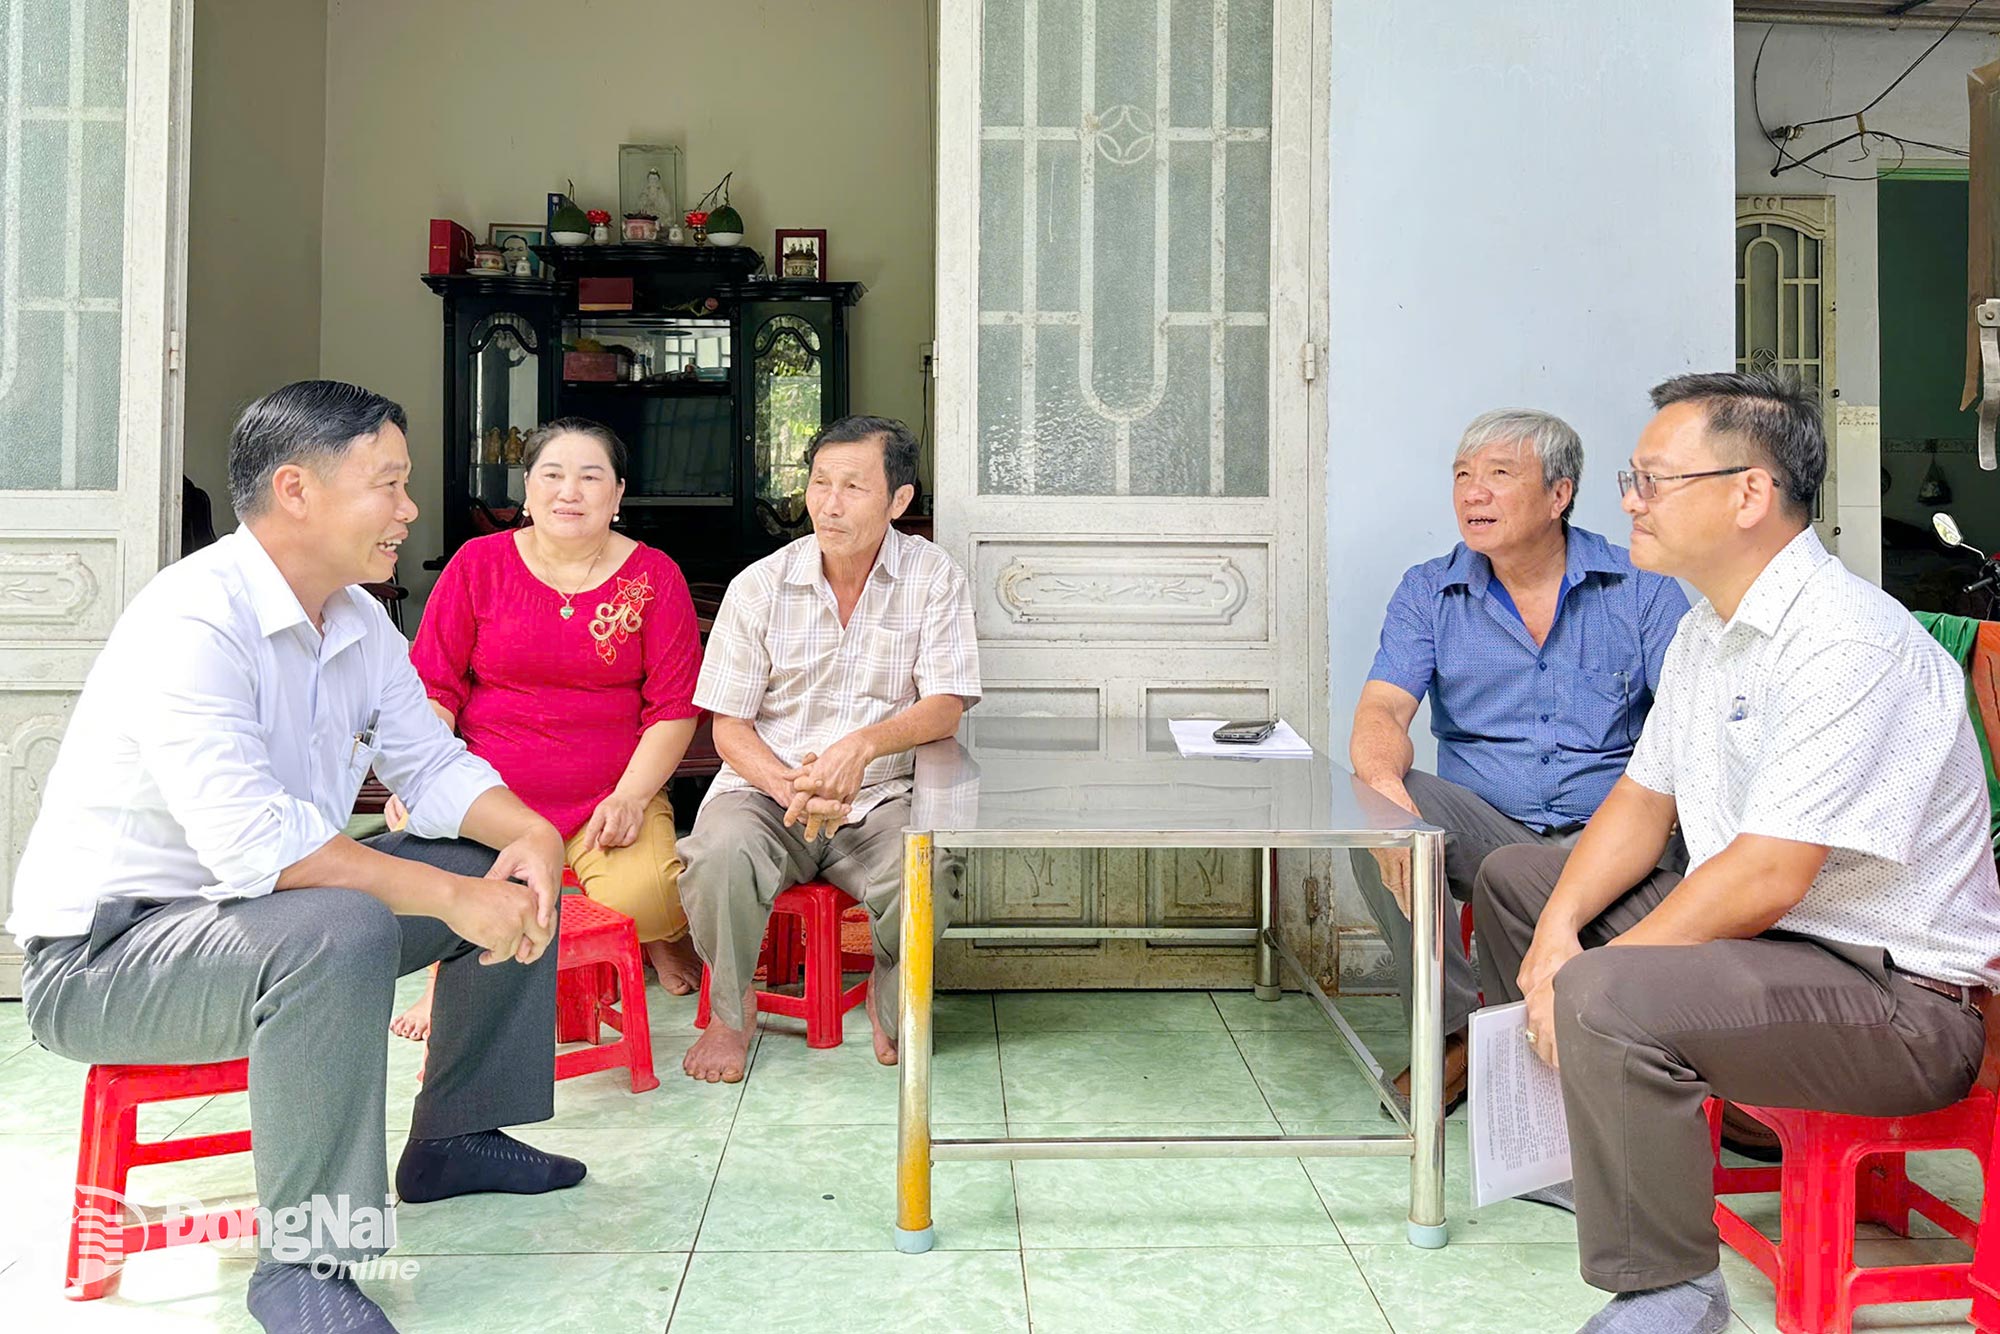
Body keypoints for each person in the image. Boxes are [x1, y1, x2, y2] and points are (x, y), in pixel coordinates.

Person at [8, 382, 589, 1334]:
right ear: (297, 491)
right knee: (342, 925)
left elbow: (432, 762)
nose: (408, 510)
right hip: (105, 961)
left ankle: (458, 1134)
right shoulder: (192, 621)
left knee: (492, 858)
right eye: (389, 485)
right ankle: (307, 1263)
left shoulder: (357, 620)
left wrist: (530, 835)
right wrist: (452, 898)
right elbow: (257, 848)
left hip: (248, 922)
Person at [1474, 371, 2000, 1334]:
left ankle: (1673, 1292)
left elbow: (1767, 875)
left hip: (1898, 1001)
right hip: (1779, 955)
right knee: (1521, 881)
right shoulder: (1705, 633)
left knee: (1604, 988)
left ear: (1749, 493)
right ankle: (1591, 1158)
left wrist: (1585, 977)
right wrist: (1553, 936)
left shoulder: (1846, 640)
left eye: (1652, 480)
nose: (1628, 501)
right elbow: (1638, 805)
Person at [1350, 408, 1687, 1110]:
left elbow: (1693, 724)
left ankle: (1670, 1045)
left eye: (1499, 476)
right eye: (1463, 476)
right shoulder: (1428, 590)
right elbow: (1383, 710)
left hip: (1614, 835)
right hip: (1492, 830)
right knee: (1383, 810)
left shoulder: (1642, 589)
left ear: (1559, 495)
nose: (1473, 494)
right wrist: (1384, 787)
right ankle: (1454, 1040)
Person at [677, 415, 980, 1082]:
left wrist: (862, 747)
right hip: (768, 796)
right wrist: (788, 786)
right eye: (820, 483)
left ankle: (890, 992)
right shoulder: (760, 585)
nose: (829, 503)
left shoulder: (934, 578)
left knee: (931, 869)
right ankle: (732, 1013)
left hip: (881, 800)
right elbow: (729, 727)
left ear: (900, 500)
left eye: (853, 486)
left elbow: (947, 706)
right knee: (715, 856)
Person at [389, 417, 704, 1043]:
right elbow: (434, 687)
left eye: (591, 478)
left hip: (606, 797)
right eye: (552, 476)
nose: (570, 492)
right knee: (455, 890)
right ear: (527, 491)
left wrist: (632, 797)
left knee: (650, 898)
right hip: (492, 797)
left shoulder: (654, 576)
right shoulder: (478, 565)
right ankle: (446, 980)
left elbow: (674, 706)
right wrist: (422, 776)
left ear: (617, 495)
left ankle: (659, 936)